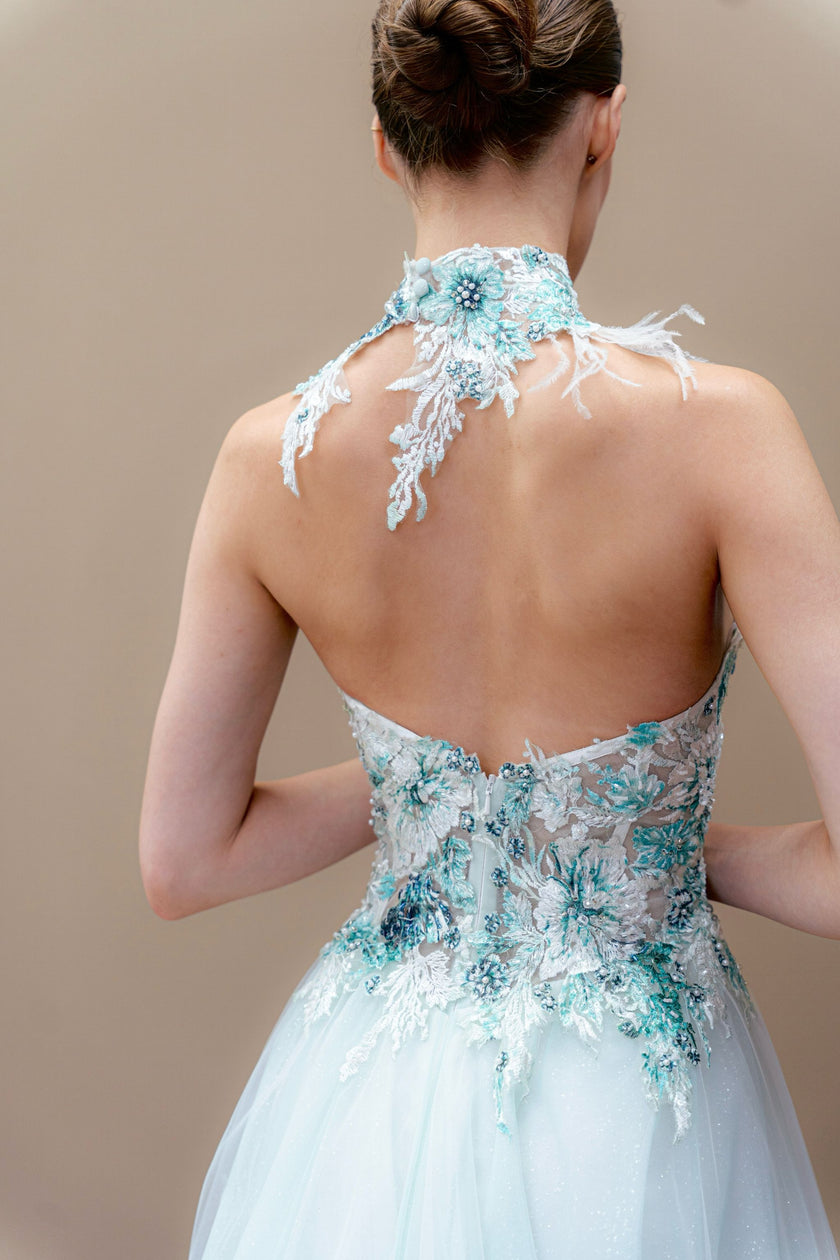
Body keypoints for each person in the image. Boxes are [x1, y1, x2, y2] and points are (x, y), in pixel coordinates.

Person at [139, 0, 840, 1255]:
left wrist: (437, 794)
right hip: (642, 1113)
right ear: (604, 126)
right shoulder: (725, 435)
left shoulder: (267, 460)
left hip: (367, 1120)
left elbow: (187, 861)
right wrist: (643, 832)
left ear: (386, 145)